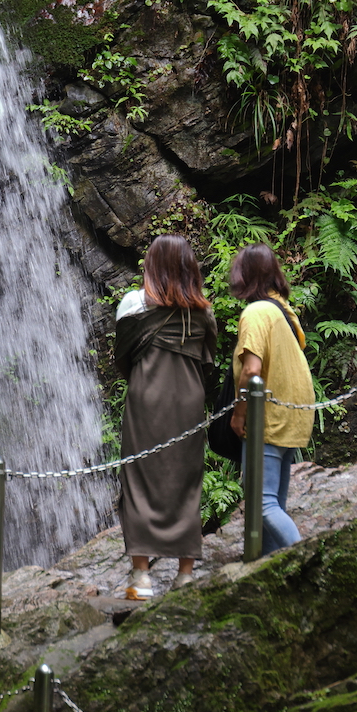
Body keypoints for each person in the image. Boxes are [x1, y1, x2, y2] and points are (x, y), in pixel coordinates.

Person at [114, 234, 217, 600]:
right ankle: (185, 575)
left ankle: (141, 579)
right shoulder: (203, 313)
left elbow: (122, 360)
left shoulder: (133, 304)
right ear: (190, 268)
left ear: (151, 267)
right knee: (186, 482)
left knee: (139, 480)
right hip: (188, 402)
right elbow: (208, 363)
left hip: (146, 399)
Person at [228, 243, 314, 555]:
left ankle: (305, 558)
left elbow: (251, 371)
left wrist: (239, 415)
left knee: (261, 503)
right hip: (294, 414)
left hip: (271, 416)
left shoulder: (255, 312)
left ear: (242, 276)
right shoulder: (281, 309)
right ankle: (265, 566)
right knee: (274, 500)